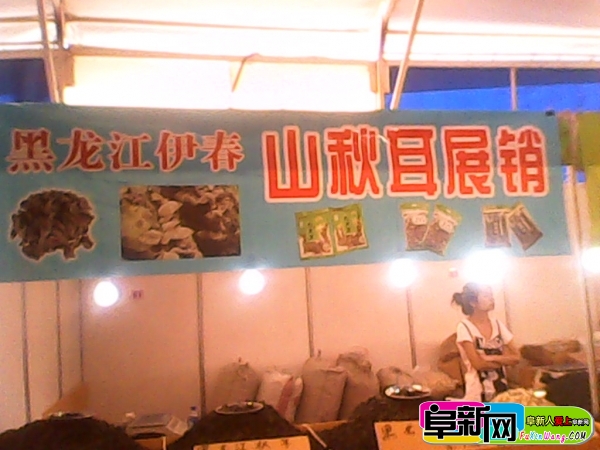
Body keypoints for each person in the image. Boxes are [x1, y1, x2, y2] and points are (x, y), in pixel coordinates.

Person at [452, 283, 520, 402]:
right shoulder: (464, 327)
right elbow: (478, 364)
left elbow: (516, 357)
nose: (491, 299)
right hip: (477, 392)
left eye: (491, 295)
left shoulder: (497, 324)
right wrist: (504, 361)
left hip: (501, 387)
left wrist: (491, 358)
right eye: (486, 296)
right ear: (473, 303)